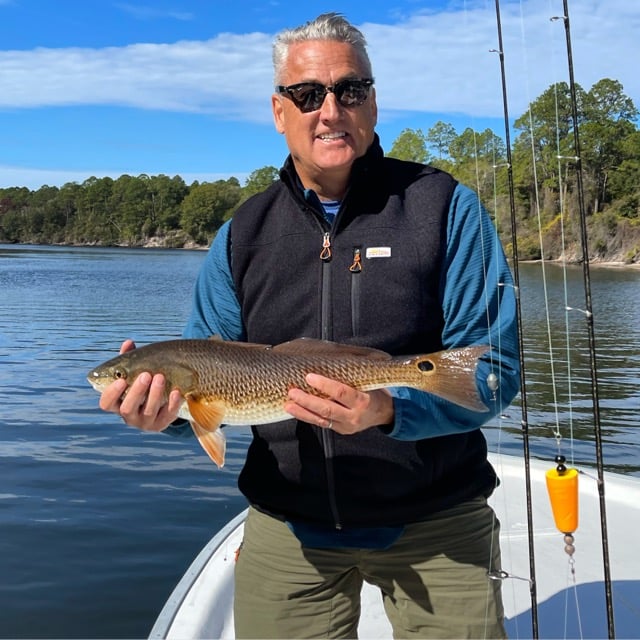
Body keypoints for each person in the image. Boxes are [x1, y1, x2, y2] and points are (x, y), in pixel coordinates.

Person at [99, 12, 520, 639]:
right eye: (307, 94)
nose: (330, 110)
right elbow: (207, 396)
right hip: (288, 525)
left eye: (349, 90)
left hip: (438, 518)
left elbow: (493, 372)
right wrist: (163, 417)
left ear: (372, 102)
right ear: (279, 111)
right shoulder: (242, 234)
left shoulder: (446, 207)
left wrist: (387, 410)